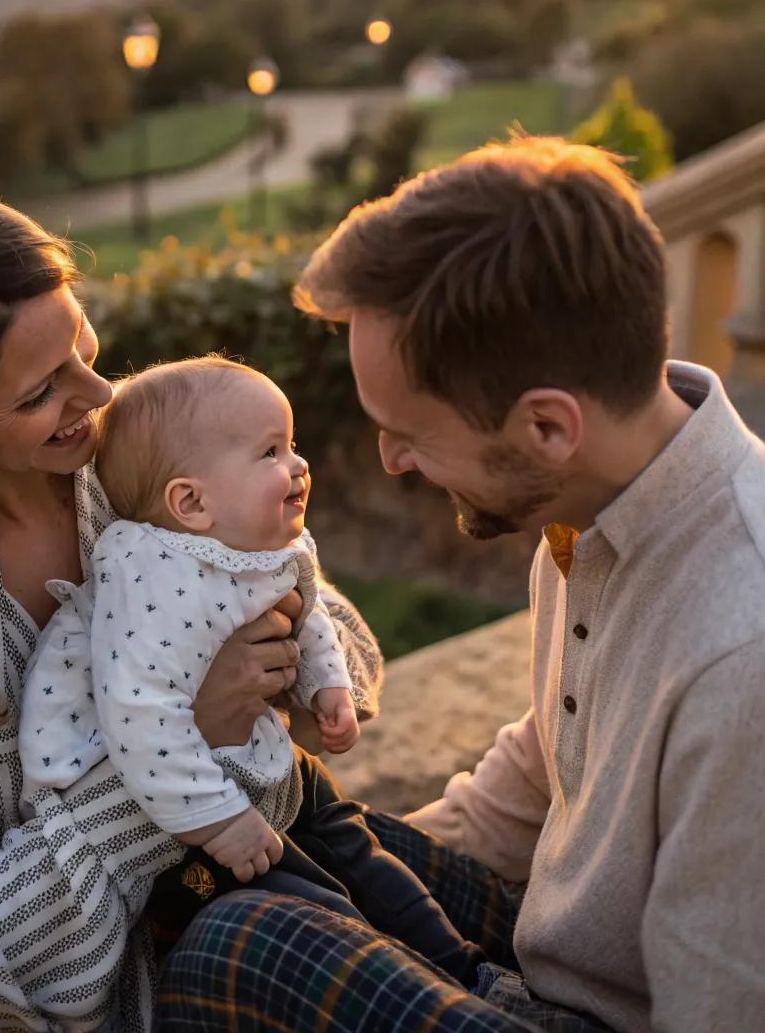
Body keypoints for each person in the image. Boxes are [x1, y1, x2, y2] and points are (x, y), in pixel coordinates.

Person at [0, 184, 389, 1032]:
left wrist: (290, 681)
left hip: (204, 955)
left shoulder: (121, 466)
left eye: (86, 347)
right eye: (38, 392)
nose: (96, 395)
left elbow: (338, 631)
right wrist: (176, 735)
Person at [264, 132, 763, 1033]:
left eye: (410, 431)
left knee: (253, 950)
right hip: (548, 950)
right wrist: (373, 867)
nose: (391, 460)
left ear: (545, 428)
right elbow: (552, 757)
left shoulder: (743, 651)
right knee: (293, 843)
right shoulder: (590, 505)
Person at [18, 356, 485, 988]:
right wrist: (220, 820)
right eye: (271, 452)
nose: (298, 465)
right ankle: (412, 981)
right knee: (317, 901)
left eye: (291, 446)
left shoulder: (244, 536)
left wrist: (327, 686)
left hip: (257, 761)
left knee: (363, 850)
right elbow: (140, 718)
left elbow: (306, 606)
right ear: (190, 501)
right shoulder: (153, 580)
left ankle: (469, 969)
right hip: (169, 810)